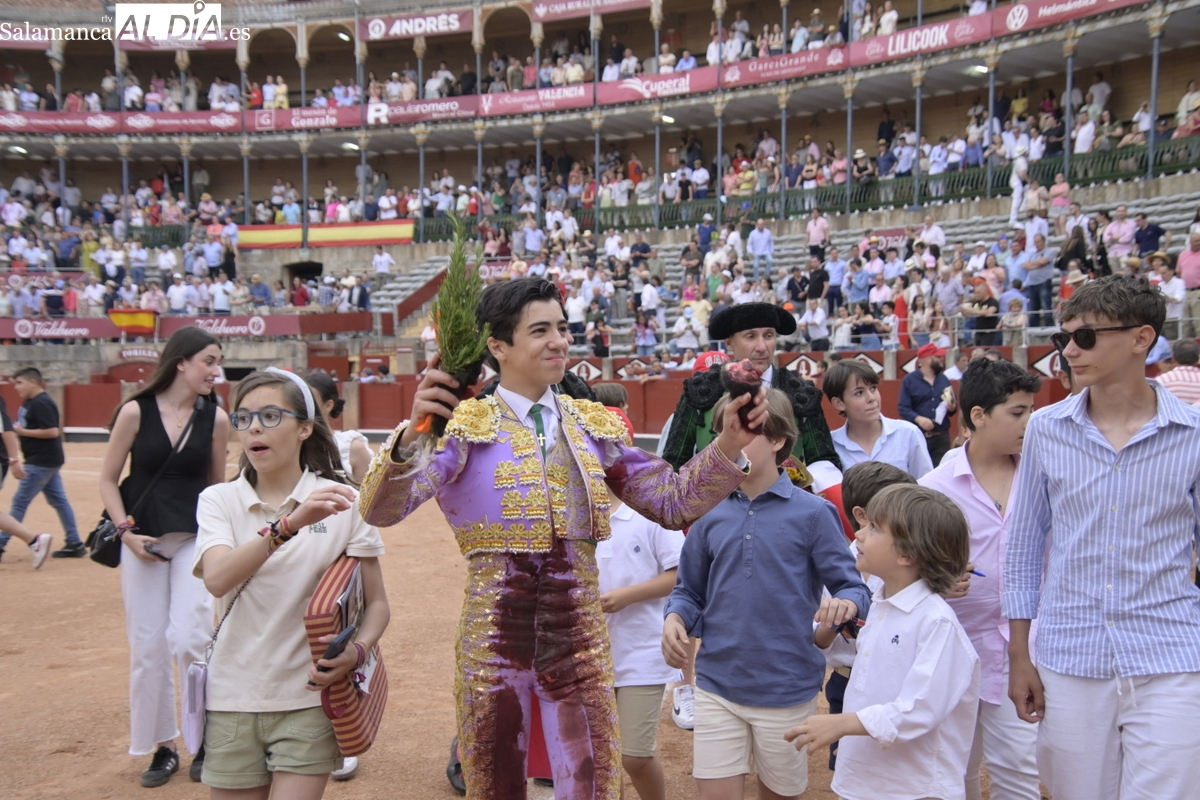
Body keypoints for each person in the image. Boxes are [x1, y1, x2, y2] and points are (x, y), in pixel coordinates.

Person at [357, 279, 764, 800]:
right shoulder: (461, 428)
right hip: (495, 635)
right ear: (498, 346)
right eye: (541, 330)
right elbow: (382, 510)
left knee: (589, 777)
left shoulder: (592, 426)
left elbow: (672, 501)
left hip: (579, 634)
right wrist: (416, 431)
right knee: (494, 775)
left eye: (563, 328)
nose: (559, 341)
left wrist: (729, 442)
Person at [1005, 275, 1200, 800]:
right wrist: (1019, 655)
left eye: (1086, 337)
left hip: (1173, 653)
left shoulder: (1195, 433)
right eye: (1064, 338)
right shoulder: (1046, 428)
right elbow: (1023, 545)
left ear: (1141, 338)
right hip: (1070, 655)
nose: (1069, 351)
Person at [663, 390, 870, 800]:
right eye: (725, 431)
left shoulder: (815, 513)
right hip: (717, 684)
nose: (732, 440)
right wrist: (675, 618)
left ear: (778, 440)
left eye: (746, 431)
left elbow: (853, 587)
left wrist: (846, 604)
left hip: (787, 690)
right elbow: (688, 590)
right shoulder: (707, 512)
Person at [193, 369, 390, 796]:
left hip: (309, 701)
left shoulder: (345, 502)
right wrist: (290, 523)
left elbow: (376, 604)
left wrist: (358, 651)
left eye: (269, 415)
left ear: (305, 428)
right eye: (243, 418)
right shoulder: (218, 501)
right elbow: (217, 577)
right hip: (231, 699)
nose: (254, 428)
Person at [785, 484, 980, 800]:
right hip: (867, 781)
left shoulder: (937, 622)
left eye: (874, 527)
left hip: (916, 788)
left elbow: (921, 708)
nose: (859, 534)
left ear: (907, 553)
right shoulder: (879, 606)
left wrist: (842, 724)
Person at [98, 327, 227, 787]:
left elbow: (215, 489)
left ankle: (208, 736)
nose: (217, 371)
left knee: (193, 634)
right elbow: (109, 480)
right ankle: (163, 746)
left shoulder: (216, 418)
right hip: (143, 539)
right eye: (209, 361)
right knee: (148, 647)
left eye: (218, 362)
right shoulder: (135, 411)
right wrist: (126, 532)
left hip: (193, 537)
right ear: (182, 363)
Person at [919, 358, 1043, 800]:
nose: (1030, 421)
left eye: (1031, 409)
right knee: (953, 775)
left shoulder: (1044, 476)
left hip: (1026, 652)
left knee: (1021, 773)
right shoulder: (932, 490)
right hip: (954, 653)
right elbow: (902, 573)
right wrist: (936, 581)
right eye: (1017, 412)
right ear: (978, 416)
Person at [662, 303, 842, 489]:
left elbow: (824, 462)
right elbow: (672, 462)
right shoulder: (699, 390)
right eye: (750, 336)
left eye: (769, 336)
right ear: (729, 342)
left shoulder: (802, 392)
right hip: (715, 510)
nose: (762, 347)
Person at [598, 479, 684, 800]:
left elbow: (680, 573)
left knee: (634, 755)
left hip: (642, 652)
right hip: (590, 653)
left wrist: (628, 596)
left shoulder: (652, 512)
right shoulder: (576, 511)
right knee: (601, 758)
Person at [2, 368, 83, 558]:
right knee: (59, 501)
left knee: (20, 503)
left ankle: (1, 543)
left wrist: (22, 432)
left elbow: (52, 431)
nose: (16, 387)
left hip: (41, 461)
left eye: (20, 383)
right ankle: (74, 542)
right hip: (45, 460)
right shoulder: (32, 402)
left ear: (33, 382)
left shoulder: (42, 403)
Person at [823, 360, 932, 478]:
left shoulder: (908, 433)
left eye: (873, 388)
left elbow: (927, 487)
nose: (871, 398)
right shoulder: (830, 446)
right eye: (859, 393)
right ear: (839, 403)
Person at [898, 343, 958, 465]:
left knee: (942, 471)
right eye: (938, 357)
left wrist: (952, 407)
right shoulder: (910, 380)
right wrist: (919, 419)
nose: (942, 359)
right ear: (928, 359)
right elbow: (903, 407)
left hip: (941, 435)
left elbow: (953, 405)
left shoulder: (943, 379)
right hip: (919, 436)